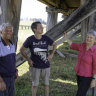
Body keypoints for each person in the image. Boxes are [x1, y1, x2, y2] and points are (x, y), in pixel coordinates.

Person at [20, 21, 57, 96]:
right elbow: (21, 50)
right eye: (40, 27)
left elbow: (54, 44)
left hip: (46, 65)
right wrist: (28, 59)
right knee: (35, 85)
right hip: (35, 66)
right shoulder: (30, 39)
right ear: (35, 29)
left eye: (42, 27)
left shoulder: (46, 38)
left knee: (46, 84)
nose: (42, 28)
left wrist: (52, 54)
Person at [64, 30, 96, 96]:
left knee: (80, 94)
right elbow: (72, 45)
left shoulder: (94, 51)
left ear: (95, 40)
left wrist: (94, 80)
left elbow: (95, 66)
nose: (88, 39)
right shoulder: (82, 46)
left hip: (87, 77)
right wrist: (66, 37)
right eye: (87, 37)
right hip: (79, 74)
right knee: (81, 93)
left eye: (91, 37)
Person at [0, 23, 18, 96]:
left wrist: (15, 71)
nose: (9, 33)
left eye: (10, 31)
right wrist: (0, 81)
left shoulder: (12, 44)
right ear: (1, 32)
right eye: (6, 31)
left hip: (11, 78)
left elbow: (12, 60)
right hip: (3, 78)